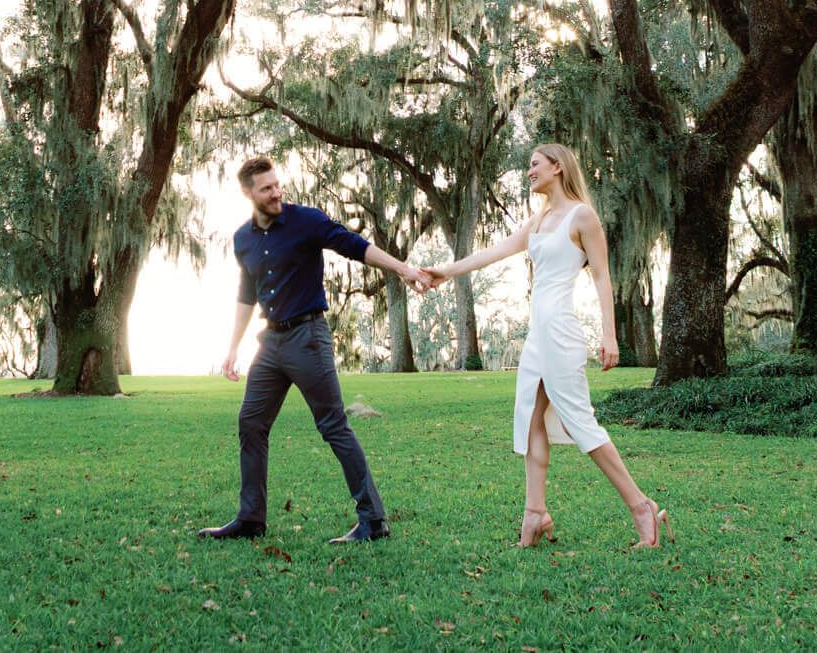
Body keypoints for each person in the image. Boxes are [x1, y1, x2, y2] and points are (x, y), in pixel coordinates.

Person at [425, 143, 668, 549]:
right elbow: (493, 252)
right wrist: (444, 272)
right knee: (531, 419)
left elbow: (602, 278)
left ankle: (642, 508)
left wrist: (610, 334)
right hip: (537, 336)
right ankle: (535, 514)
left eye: (534, 165)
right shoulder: (538, 221)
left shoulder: (582, 216)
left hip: (561, 332)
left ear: (557, 167)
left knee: (578, 421)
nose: (529, 172)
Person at [198, 156, 437, 544]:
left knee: (332, 426)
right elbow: (246, 294)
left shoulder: (305, 220)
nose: (276, 193)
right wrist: (232, 348)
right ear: (248, 194)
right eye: (266, 189)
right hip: (270, 344)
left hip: (307, 338)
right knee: (251, 423)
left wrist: (403, 269)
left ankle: (373, 521)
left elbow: (355, 246)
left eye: (277, 185)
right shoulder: (243, 239)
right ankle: (250, 519)